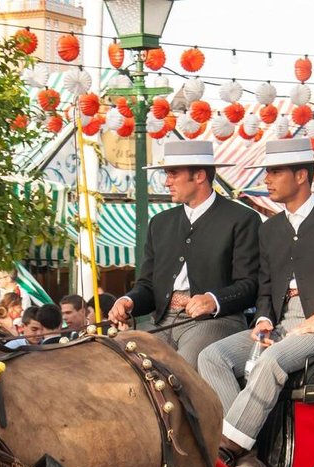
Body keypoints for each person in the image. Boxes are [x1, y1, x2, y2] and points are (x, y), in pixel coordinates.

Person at [198, 137, 314, 467]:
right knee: (211, 356)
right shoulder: (270, 230)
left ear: (301, 176)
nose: (266, 179)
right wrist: (264, 319)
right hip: (280, 326)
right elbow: (265, 287)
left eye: (274, 172)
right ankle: (243, 455)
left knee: (272, 359)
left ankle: (228, 449)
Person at [109, 139, 261, 366]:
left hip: (217, 321)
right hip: (161, 322)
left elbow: (251, 283)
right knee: (119, 363)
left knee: (179, 368)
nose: (167, 182)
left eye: (172, 174)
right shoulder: (160, 223)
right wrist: (128, 301)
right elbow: (148, 286)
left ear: (199, 176)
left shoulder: (242, 219)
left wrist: (213, 300)